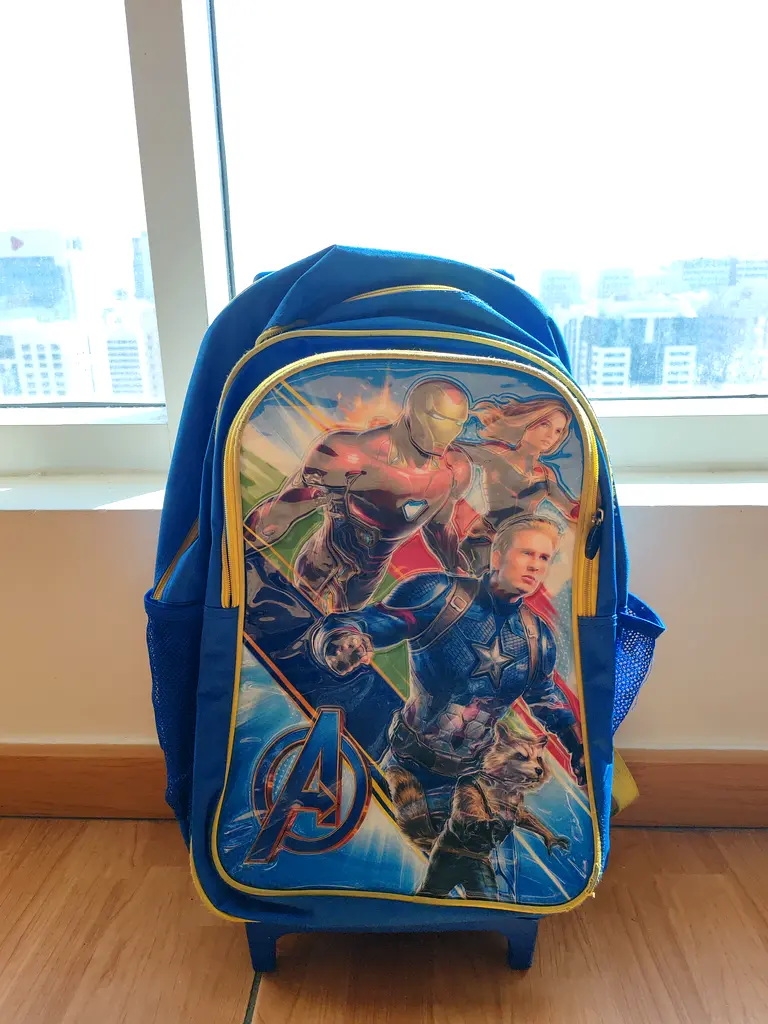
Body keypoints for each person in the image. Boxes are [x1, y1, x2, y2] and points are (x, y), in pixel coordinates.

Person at [310, 514, 585, 853]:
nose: (535, 566)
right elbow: (377, 622)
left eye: (544, 557)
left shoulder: (537, 639)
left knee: (459, 871)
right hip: (405, 768)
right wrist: (344, 637)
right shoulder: (440, 595)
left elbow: (546, 698)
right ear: (498, 556)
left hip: (469, 783)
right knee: (382, 857)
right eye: (526, 553)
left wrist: (578, 747)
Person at [245, 377, 472, 612]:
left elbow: (439, 528)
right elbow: (281, 511)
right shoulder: (349, 454)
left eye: (458, 423)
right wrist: (236, 552)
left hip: (365, 582)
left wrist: (458, 571)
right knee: (301, 618)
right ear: (412, 410)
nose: (448, 431)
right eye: (438, 417)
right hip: (320, 564)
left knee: (341, 628)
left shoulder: (454, 471)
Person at [460, 395, 579, 574]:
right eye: (545, 424)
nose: (550, 436)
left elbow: (570, 509)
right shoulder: (498, 454)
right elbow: (449, 449)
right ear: (529, 421)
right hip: (482, 542)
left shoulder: (546, 474)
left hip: (518, 550)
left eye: (557, 431)